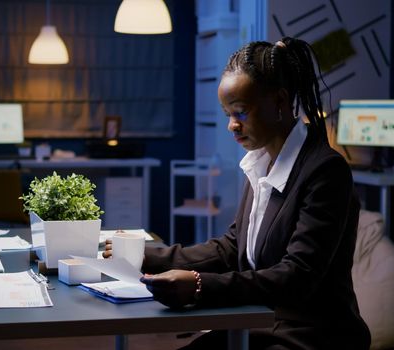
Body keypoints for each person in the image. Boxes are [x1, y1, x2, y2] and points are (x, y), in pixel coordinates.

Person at [104, 37, 371, 349]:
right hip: (259, 323)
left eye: (241, 112)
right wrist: (147, 258)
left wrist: (200, 286)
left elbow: (297, 276)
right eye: (227, 113)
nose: (232, 125)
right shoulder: (261, 163)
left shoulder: (325, 171)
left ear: (280, 102)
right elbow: (231, 249)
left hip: (308, 334)